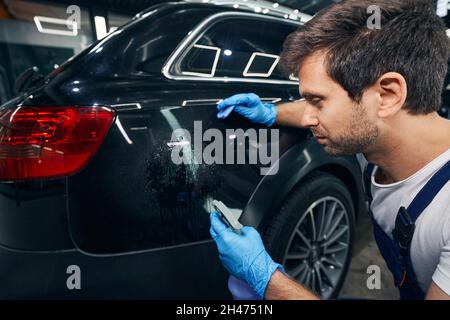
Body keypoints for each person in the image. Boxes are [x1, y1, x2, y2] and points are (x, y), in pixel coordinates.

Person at [209, 0, 450, 300]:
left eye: (318, 101)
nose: (309, 118)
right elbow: (330, 111)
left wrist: (267, 281)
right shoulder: (375, 134)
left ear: (387, 95)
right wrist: (271, 113)